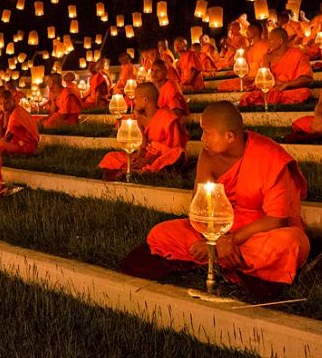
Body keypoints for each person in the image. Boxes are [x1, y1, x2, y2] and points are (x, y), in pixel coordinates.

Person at [121, 102, 310, 298]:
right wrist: (212, 240)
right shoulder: (208, 156)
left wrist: (229, 240)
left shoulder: (270, 157)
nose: (202, 139)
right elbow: (199, 206)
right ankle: (226, 259)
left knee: (291, 242)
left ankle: (214, 257)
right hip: (219, 227)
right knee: (161, 234)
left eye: (207, 133)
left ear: (229, 136)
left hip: (258, 232)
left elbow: (276, 220)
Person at [98, 82, 188, 180]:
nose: (133, 101)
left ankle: (138, 171)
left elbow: (176, 146)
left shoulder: (168, 117)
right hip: (147, 155)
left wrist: (149, 159)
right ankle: (138, 170)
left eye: (136, 98)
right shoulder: (140, 118)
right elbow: (143, 146)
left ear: (145, 99)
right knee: (111, 157)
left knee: (178, 154)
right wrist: (139, 157)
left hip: (162, 156)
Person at [239, 28, 313, 107]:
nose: (268, 43)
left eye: (271, 40)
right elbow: (264, 79)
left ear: (280, 41)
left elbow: (307, 78)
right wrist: (266, 62)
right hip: (272, 90)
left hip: (289, 90)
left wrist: (287, 85)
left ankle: (270, 99)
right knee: (246, 96)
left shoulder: (298, 55)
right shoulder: (267, 56)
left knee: (304, 93)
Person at [218, 23, 269, 91]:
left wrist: (255, 78)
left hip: (260, 78)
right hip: (248, 79)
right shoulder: (247, 49)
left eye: (248, 30)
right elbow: (245, 68)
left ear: (255, 30)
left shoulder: (265, 45)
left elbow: (267, 67)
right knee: (222, 85)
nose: (246, 32)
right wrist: (244, 75)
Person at [0, 89, 39, 156]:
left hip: (27, 146)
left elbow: (6, 139)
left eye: (7, 103)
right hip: (18, 143)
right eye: (1, 104)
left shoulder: (16, 114)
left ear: (14, 101)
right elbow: (2, 136)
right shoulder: (10, 112)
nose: (3, 107)